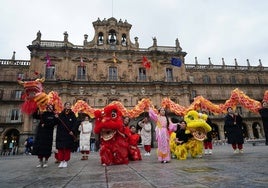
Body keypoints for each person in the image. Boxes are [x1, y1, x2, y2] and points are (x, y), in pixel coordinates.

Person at [55, 102, 77, 168]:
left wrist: (72, 131)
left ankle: (66, 161)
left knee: (67, 148)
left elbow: (75, 124)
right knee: (60, 148)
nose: (68, 106)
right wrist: (56, 117)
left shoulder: (73, 115)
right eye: (67, 105)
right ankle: (61, 160)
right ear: (64, 106)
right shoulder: (60, 114)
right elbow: (57, 122)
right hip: (61, 133)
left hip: (68, 134)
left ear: (71, 106)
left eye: (69, 105)